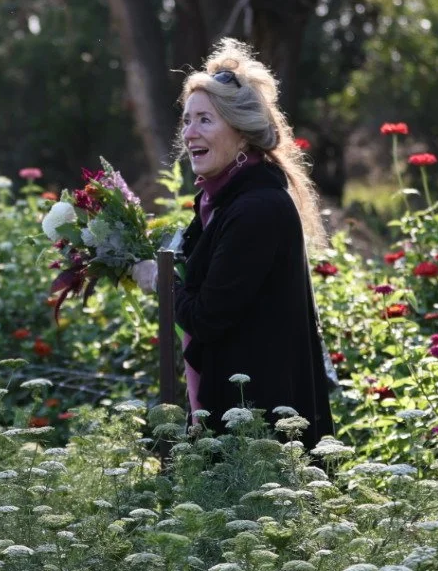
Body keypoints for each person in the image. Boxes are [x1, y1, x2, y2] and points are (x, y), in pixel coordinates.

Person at [132, 39, 333, 443]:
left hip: (259, 426)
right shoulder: (220, 200)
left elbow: (206, 315)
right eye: (186, 120)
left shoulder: (256, 209)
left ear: (242, 134)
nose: (189, 133)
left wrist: (160, 279)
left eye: (205, 120)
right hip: (241, 414)